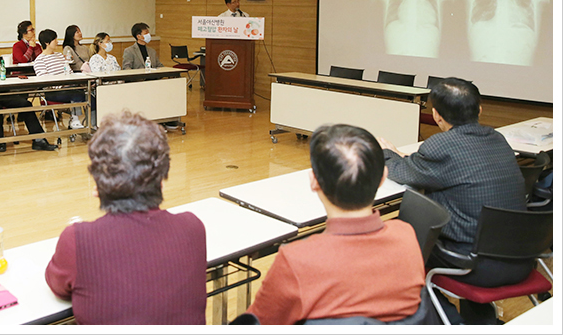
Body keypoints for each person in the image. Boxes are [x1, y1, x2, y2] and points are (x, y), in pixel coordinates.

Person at [378, 77, 527, 325]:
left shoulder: (441, 145)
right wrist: (412, 159)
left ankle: (449, 320)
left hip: (473, 266)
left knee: (397, 251)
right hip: (522, 258)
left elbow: (402, 172)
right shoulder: (496, 139)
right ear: (480, 109)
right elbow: (449, 165)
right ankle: (480, 321)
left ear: (436, 115)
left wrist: (386, 153)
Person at [248, 124, 425, 324]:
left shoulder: (297, 260)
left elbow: (261, 321)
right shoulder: (407, 236)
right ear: (383, 178)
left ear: (314, 181)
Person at [45, 111, 206, 324]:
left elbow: (58, 286)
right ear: (161, 181)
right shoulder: (193, 228)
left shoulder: (78, 240)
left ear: (97, 183)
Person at [33, 29, 86, 129]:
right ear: (47, 43)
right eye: (54, 40)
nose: (57, 42)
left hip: (68, 87)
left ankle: (92, 122)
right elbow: (44, 81)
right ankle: (74, 119)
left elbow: (69, 72)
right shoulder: (40, 60)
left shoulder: (60, 56)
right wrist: (63, 83)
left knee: (88, 93)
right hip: (54, 92)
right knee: (76, 93)